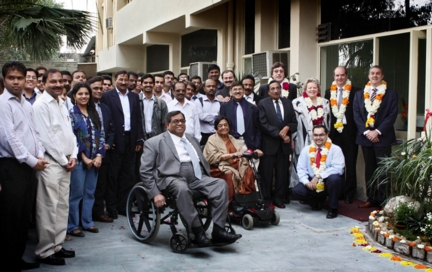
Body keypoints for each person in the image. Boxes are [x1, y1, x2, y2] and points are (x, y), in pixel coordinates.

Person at [140, 111, 242, 246]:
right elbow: (145, 170)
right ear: (167, 124)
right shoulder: (154, 142)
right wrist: (155, 193)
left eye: (182, 120)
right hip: (172, 177)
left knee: (220, 184)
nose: (180, 123)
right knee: (182, 188)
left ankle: (218, 230)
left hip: (197, 177)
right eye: (176, 121)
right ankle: (198, 231)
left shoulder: (191, 138)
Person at [0, 61, 48, 271]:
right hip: (11, 167)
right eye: (11, 78)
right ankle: (8, 260)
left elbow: (35, 132)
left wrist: (39, 155)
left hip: (30, 166)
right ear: (4, 80)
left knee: (23, 216)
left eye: (19, 77)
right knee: (11, 216)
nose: (16, 81)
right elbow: (9, 139)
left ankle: (17, 258)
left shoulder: (26, 104)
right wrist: (31, 160)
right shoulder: (2, 104)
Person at [33, 69, 78, 266]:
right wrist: (63, 159)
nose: (58, 84)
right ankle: (45, 250)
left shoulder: (62, 102)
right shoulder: (40, 105)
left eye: (60, 81)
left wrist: (74, 155)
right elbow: (46, 138)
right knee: (48, 207)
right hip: (52, 162)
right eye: (53, 81)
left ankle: (57, 246)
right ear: (43, 84)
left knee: (62, 206)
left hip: (66, 161)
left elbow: (70, 133)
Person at [353, 65, 398, 208]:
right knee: (369, 169)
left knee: (384, 170)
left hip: (382, 137)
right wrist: (367, 132)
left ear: (382, 76)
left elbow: (391, 116)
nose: (375, 76)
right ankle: (371, 198)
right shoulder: (360, 94)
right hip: (366, 138)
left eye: (378, 73)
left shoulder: (391, 94)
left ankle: (383, 200)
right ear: (369, 76)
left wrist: (377, 132)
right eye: (372, 73)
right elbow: (357, 115)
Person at [101, 70, 144, 218]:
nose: (124, 82)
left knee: (128, 175)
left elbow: (138, 120)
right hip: (115, 141)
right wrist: (109, 141)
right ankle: (112, 208)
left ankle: (123, 206)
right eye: (121, 79)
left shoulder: (134, 97)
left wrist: (139, 139)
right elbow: (105, 120)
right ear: (115, 80)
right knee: (113, 175)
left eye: (126, 80)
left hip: (130, 140)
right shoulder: (107, 96)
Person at [67, 83, 106, 237]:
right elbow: (72, 138)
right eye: (80, 94)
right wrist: (83, 157)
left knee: (90, 193)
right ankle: (72, 225)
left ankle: (87, 222)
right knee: (76, 194)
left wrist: (99, 155)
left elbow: (101, 135)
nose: (84, 96)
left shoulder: (94, 112)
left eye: (86, 94)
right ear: (74, 96)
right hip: (79, 161)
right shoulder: (71, 114)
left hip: (95, 161)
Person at [203, 116, 263, 205]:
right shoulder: (212, 139)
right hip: (218, 167)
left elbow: (241, 152)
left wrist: (254, 152)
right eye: (220, 126)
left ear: (229, 127)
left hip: (234, 164)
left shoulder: (231, 138)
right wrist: (231, 155)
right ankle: (230, 205)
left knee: (249, 170)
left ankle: (247, 201)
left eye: (225, 125)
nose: (223, 127)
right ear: (216, 128)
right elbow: (211, 157)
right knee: (230, 175)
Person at [324, 66, 361, 204]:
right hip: (334, 133)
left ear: (346, 76)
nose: (339, 78)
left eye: (342, 75)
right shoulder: (329, 92)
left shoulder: (356, 91)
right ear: (334, 76)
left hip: (349, 131)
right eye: (337, 75)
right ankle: (337, 191)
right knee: (335, 163)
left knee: (350, 163)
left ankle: (349, 193)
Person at [258, 80, 298, 208]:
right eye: (272, 89)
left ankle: (279, 198)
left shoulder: (288, 103)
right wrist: (280, 134)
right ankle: (266, 199)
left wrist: (287, 128)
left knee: (282, 172)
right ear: (268, 91)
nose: (275, 91)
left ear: (281, 89)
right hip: (269, 143)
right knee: (266, 172)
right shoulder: (263, 103)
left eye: (277, 88)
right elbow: (263, 124)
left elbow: (294, 122)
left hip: (284, 145)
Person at [292, 125, 345, 219]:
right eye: (316, 135)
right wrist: (306, 182)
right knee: (297, 191)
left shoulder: (335, 149)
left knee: (334, 179)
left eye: (321, 135)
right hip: (312, 181)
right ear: (312, 136)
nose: (318, 138)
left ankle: (333, 208)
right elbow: (301, 169)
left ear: (327, 135)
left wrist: (319, 176)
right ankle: (316, 202)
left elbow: (338, 168)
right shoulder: (306, 150)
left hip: (328, 181)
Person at [291, 78, 330, 188]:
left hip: (321, 138)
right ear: (305, 89)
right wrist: (293, 139)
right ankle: (302, 187)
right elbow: (294, 123)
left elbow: (328, 122)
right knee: (303, 161)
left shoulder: (325, 102)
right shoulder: (297, 102)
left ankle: (319, 187)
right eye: (310, 88)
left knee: (320, 161)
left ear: (318, 89)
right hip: (302, 137)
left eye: (315, 87)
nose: (312, 90)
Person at [88, 76, 115, 223]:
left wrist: (108, 144)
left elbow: (111, 129)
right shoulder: (85, 107)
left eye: (100, 88)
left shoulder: (105, 108)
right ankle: (85, 215)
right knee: (87, 187)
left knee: (101, 185)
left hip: (104, 152)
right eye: (95, 88)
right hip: (87, 153)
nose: (99, 91)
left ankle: (98, 213)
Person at [220, 81, 261, 152]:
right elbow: (221, 126)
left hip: (248, 144)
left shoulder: (253, 108)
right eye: (235, 89)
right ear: (230, 91)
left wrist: (256, 145)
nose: (238, 91)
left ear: (244, 91)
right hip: (230, 143)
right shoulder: (224, 106)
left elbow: (258, 129)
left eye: (240, 89)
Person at [194, 79, 220, 146]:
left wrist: (208, 117)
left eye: (213, 86)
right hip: (204, 135)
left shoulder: (220, 102)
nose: (211, 88)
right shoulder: (199, 101)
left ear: (216, 88)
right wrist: (216, 115)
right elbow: (201, 117)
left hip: (218, 134)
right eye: (208, 86)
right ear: (204, 88)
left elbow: (221, 118)